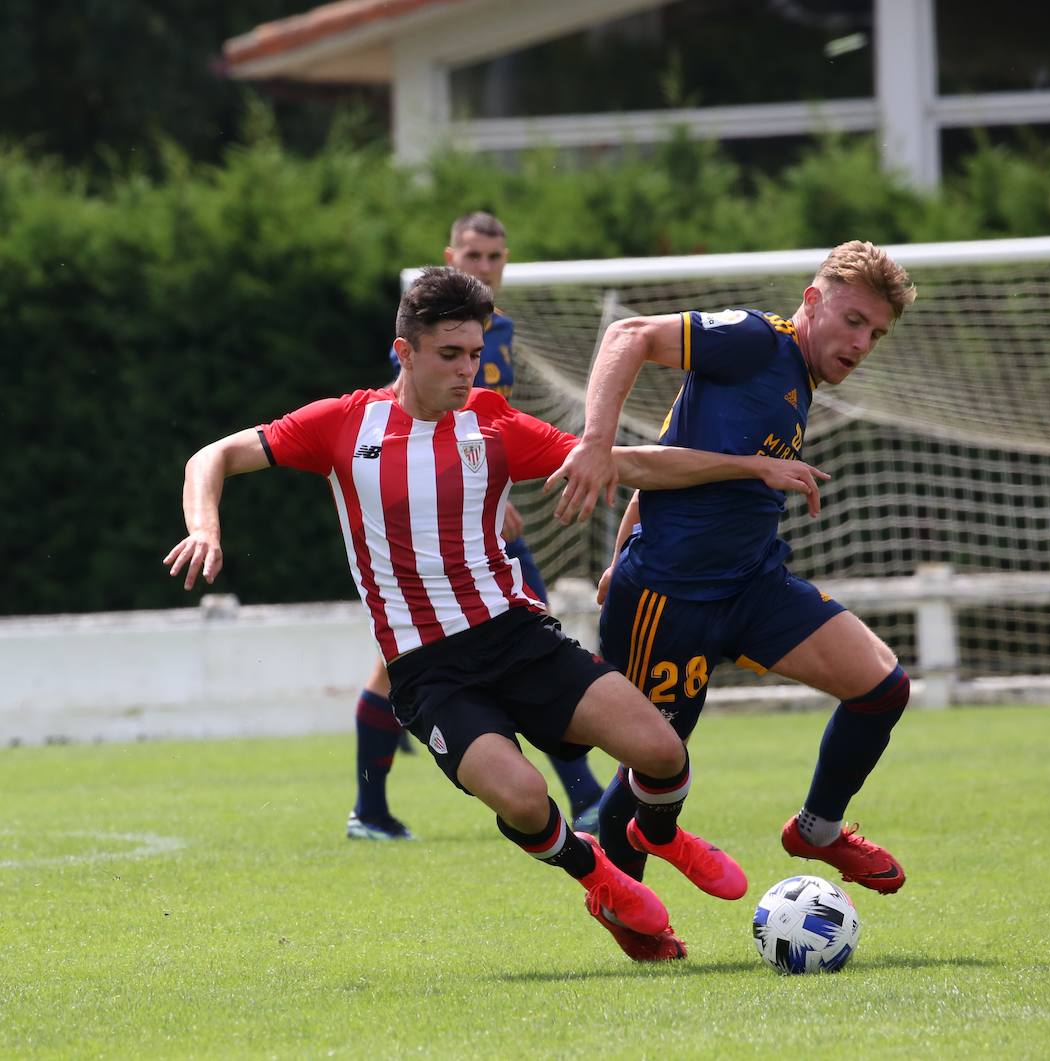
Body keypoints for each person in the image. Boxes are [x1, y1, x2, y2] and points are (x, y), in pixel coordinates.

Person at [165, 267, 829, 960]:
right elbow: (213, 455)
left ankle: (657, 834)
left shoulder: (491, 421)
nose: (467, 370)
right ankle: (596, 875)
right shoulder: (342, 425)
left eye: (474, 353)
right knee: (521, 795)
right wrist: (206, 527)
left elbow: (626, 463)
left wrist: (749, 467)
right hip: (429, 669)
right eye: (449, 354)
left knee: (663, 750)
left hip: (517, 636)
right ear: (406, 352)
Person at [548, 241, 917, 954]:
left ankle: (817, 829)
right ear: (811, 302)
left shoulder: (798, 379)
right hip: (669, 598)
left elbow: (671, 445)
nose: (861, 343)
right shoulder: (753, 340)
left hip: (753, 582)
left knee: (882, 685)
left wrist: (624, 531)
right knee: (653, 763)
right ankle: (625, 909)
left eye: (875, 332)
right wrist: (595, 442)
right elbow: (627, 336)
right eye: (852, 320)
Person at [349, 211, 603, 842]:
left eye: (494, 256)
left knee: (516, 639)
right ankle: (372, 809)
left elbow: (494, 424)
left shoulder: (501, 331)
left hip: (478, 512)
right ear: (450, 256)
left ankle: (372, 812)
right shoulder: (432, 334)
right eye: (472, 254)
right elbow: (405, 400)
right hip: (430, 515)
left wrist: (494, 489)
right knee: (419, 658)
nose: (484, 265)